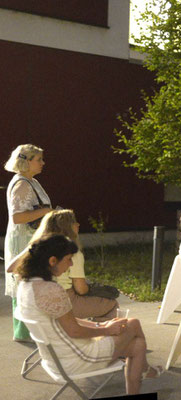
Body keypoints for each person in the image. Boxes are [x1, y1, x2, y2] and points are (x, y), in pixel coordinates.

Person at [16, 234, 161, 395]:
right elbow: (74, 330)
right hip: (77, 359)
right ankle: (145, 369)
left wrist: (100, 325)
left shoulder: (25, 285)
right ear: (52, 261)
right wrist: (107, 330)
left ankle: (144, 372)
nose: (70, 264)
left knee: (138, 346)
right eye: (68, 259)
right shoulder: (50, 290)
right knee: (132, 323)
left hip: (55, 359)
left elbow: (66, 320)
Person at [5, 144, 53, 342]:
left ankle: (30, 330)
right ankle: (25, 332)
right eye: (39, 159)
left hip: (30, 239)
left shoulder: (30, 181)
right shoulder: (22, 184)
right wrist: (45, 212)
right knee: (26, 283)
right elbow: (17, 217)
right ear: (26, 161)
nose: (43, 163)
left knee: (31, 282)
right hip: (23, 240)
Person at [34, 210, 119, 320]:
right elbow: (81, 289)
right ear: (66, 227)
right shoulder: (72, 252)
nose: (78, 224)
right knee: (112, 304)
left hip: (39, 299)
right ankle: (102, 335)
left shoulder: (39, 249)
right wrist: (95, 290)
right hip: (64, 300)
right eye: (74, 221)